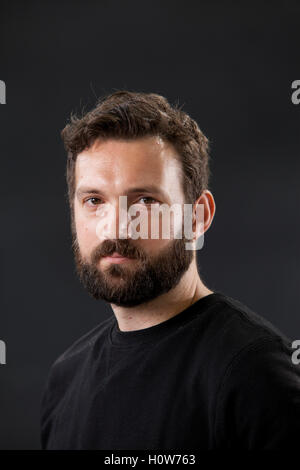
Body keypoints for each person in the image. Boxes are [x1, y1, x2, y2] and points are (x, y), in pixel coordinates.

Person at [40, 90, 300, 450]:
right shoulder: (65, 377)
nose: (116, 228)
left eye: (146, 200)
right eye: (94, 201)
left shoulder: (255, 373)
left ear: (199, 216)